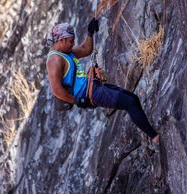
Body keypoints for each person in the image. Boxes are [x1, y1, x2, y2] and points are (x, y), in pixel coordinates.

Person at [46, 19, 160, 151]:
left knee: (133, 99)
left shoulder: (67, 53)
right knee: (130, 103)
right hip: (89, 94)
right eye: (71, 41)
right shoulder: (54, 60)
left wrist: (90, 33)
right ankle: (155, 139)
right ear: (61, 40)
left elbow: (85, 49)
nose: (73, 44)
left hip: (94, 86)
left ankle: (151, 136)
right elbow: (56, 89)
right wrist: (76, 100)